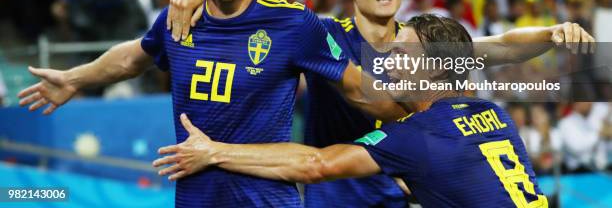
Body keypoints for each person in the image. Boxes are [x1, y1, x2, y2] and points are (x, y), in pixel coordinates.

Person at [17, 0, 406, 208]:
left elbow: (358, 88)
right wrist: (73, 78)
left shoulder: (293, 23)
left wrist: (423, 123)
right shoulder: (178, 15)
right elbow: (134, 57)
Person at [167, 0, 593, 207]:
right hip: (336, 194)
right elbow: (254, 9)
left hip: (395, 193)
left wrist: (553, 34)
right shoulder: (323, 35)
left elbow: (500, 46)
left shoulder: (420, 46)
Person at [155, 15, 549, 208]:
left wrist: (215, 151)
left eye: (401, 53)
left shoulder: (418, 135)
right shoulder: (494, 115)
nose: (388, 61)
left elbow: (316, 164)